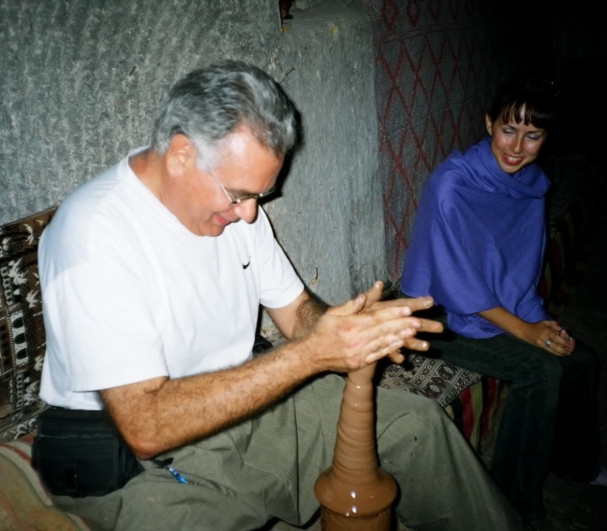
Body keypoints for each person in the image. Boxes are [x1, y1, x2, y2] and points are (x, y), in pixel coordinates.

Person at [36, 60, 524, 531]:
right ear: (181, 154)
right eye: (239, 195)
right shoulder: (95, 237)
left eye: (259, 198)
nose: (250, 215)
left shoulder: (236, 214)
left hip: (238, 404)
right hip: (133, 457)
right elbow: (146, 426)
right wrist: (311, 355)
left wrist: (346, 328)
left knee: (416, 428)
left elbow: (294, 310)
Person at [400, 80, 607, 520]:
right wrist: (524, 331)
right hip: (440, 314)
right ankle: (510, 506)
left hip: (500, 306)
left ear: (546, 140)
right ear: (489, 124)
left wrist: (541, 323)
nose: (517, 147)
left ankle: (575, 464)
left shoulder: (533, 185)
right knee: (538, 369)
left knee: (580, 360)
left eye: (533, 135)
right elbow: (454, 280)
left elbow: (522, 271)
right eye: (508, 130)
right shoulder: (451, 184)